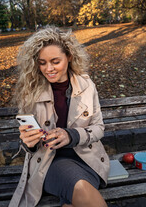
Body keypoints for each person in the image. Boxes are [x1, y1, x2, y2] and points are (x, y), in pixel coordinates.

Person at [9, 26, 110, 207]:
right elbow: (27, 143)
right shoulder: (30, 92)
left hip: (88, 160)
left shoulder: (87, 85)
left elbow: (98, 128)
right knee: (80, 187)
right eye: (42, 63)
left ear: (69, 57)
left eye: (55, 61)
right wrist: (28, 143)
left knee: (73, 199)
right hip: (50, 163)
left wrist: (71, 135)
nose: (49, 69)